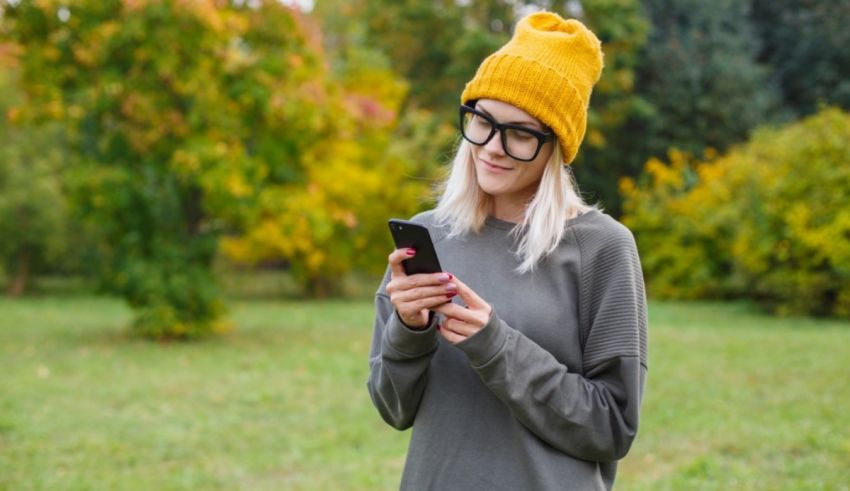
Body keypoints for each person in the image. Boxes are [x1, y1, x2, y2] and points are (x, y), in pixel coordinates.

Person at [367, 11, 648, 491]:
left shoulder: (602, 248)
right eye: (482, 121)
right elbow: (394, 409)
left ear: (555, 147)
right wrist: (409, 330)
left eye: (520, 133)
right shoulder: (427, 237)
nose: (492, 148)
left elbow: (612, 427)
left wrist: (494, 345)